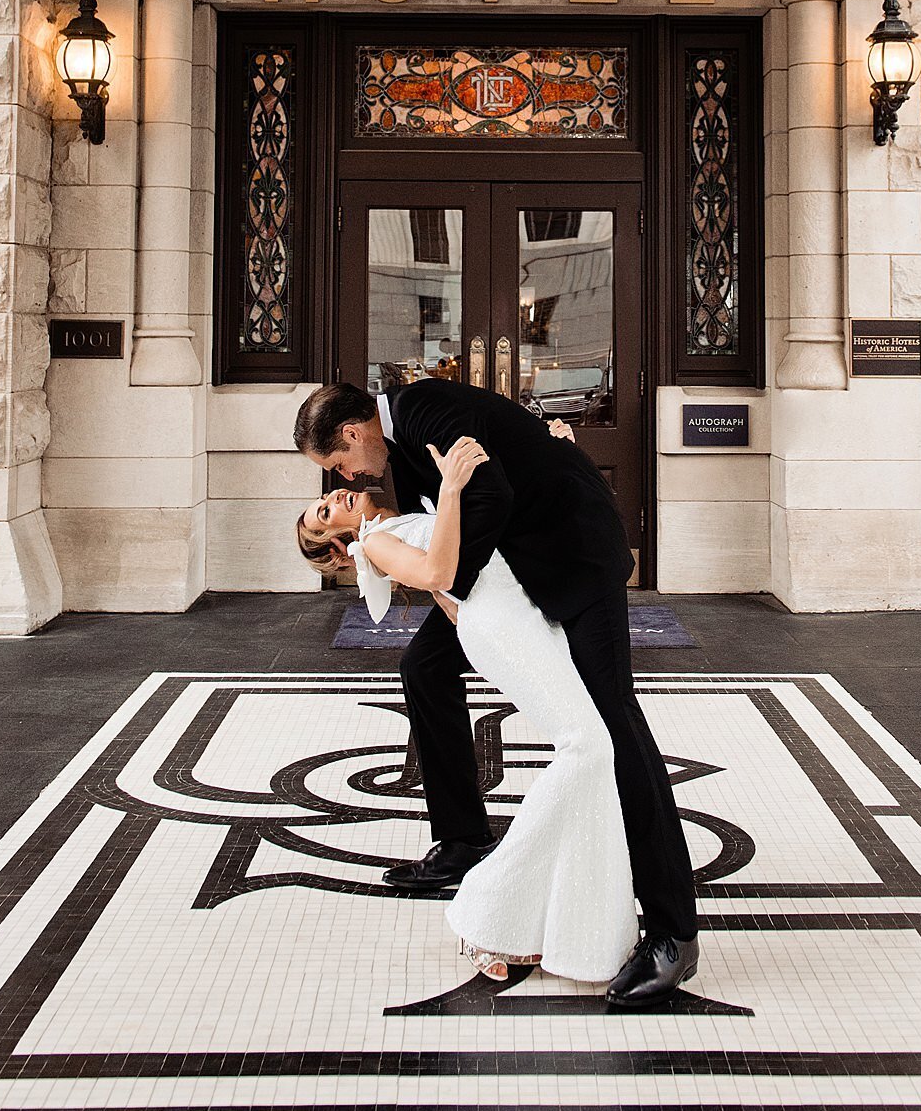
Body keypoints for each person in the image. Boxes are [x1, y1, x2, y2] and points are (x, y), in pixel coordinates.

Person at [293, 378, 699, 1008]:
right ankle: (461, 840)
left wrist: (451, 583)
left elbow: (489, 498)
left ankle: (673, 932)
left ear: (351, 432)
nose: (344, 477)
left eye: (338, 464)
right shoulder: (395, 440)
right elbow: (442, 519)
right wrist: (445, 588)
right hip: (505, 580)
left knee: (611, 727)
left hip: (572, 559)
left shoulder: (426, 411)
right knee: (424, 667)